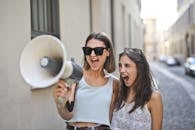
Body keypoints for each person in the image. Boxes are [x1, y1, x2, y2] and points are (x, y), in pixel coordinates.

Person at [53, 32, 119, 130]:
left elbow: (113, 119)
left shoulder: (115, 83)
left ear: (108, 52)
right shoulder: (75, 75)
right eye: (88, 50)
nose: (92, 55)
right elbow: (67, 115)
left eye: (98, 50)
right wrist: (60, 103)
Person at [111, 48, 163, 130]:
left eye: (127, 66)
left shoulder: (153, 97)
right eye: (120, 65)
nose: (121, 70)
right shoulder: (117, 92)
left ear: (139, 69)